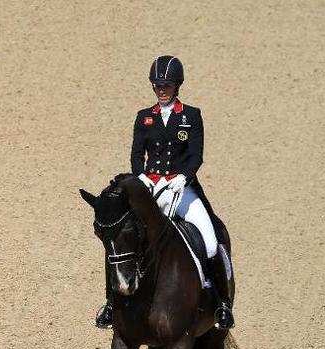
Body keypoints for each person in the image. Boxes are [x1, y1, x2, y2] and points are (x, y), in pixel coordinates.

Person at [95, 55, 234, 330]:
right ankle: (111, 304)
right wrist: (142, 177)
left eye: (166, 85)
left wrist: (184, 177)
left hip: (182, 190)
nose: (161, 90)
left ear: (177, 86)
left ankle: (220, 304)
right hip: (151, 189)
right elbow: (137, 154)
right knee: (120, 239)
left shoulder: (191, 116)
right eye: (157, 85)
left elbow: (196, 155)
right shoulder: (144, 118)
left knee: (208, 238)